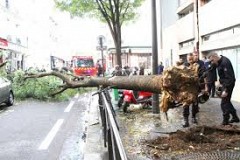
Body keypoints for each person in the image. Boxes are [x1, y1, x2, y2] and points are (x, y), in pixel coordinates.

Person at [208, 52, 239, 125]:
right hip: (224, 83)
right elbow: (212, 68)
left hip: (229, 84)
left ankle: (225, 121)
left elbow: (230, 78)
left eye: (212, 60)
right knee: (227, 101)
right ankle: (235, 117)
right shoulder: (217, 62)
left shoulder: (225, 62)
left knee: (224, 103)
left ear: (215, 56)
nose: (212, 62)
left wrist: (226, 90)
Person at [182, 52, 207, 127]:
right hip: (186, 88)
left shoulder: (198, 65)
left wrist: (203, 88)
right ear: (187, 59)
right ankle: (185, 120)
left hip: (196, 87)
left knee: (195, 103)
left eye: (191, 58)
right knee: (185, 104)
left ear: (193, 58)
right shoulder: (184, 66)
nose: (190, 60)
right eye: (188, 59)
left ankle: (193, 117)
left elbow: (203, 75)